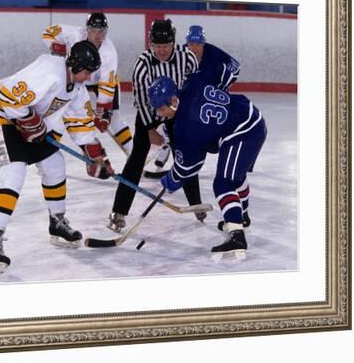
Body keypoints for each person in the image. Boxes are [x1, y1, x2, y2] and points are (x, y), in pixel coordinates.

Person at [0, 40, 115, 273]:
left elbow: (80, 124)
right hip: (1, 121)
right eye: (87, 72)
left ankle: (57, 223)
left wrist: (95, 155)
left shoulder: (78, 90)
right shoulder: (50, 69)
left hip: (32, 127)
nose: (89, 77)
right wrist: (29, 120)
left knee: (55, 166)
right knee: (14, 176)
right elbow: (4, 95)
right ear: (75, 65)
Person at [147, 75, 267, 260]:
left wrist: (170, 181)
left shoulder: (186, 126)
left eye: (162, 108)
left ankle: (237, 236)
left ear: (173, 99)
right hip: (251, 117)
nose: (161, 114)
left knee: (223, 183)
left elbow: (189, 168)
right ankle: (242, 219)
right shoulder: (193, 83)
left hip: (243, 131)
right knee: (236, 176)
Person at [107, 18, 203, 233]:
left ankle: (196, 203)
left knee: (184, 154)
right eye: (156, 46)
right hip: (149, 111)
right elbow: (141, 100)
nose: (161, 51)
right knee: (136, 159)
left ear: (174, 43)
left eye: (165, 46)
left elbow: (193, 89)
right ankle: (118, 212)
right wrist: (151, 128)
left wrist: (183, 115)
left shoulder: (187, 59)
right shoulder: (142, 65)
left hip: (177, 110)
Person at [42, 12, 133, 154]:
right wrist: (61, 50)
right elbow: (48, 32)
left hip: (99, 82)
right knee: (61, 111)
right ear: (87, 30)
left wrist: (103, 114)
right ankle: (47, 153)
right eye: (93, 30)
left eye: (101, 31)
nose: (98, 35)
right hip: (77, 76)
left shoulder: (109, 52)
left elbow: (106, 84)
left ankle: (133, 153)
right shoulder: (74, 34)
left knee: (114, 116)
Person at [184, 25, 241, 91]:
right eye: (191, 44)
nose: (194, 48)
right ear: (187, 43)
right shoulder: (180, 54)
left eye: (198, 44)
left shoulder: (214, 53)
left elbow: (236, 67)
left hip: (212, 96)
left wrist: (221, 88)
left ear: (203, 44)